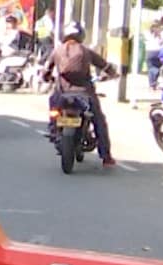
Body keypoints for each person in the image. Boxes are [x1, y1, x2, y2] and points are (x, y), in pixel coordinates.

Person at [47, 22, 118, 167]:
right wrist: (114, 74)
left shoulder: (57, 51)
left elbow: (45, 71)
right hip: (85, 95)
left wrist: (48, 78)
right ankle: (106, 156)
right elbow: (105, 66)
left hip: (62, 94)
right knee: (99, 121)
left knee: (53, 108)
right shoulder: (86, 51)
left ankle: (54, 129)